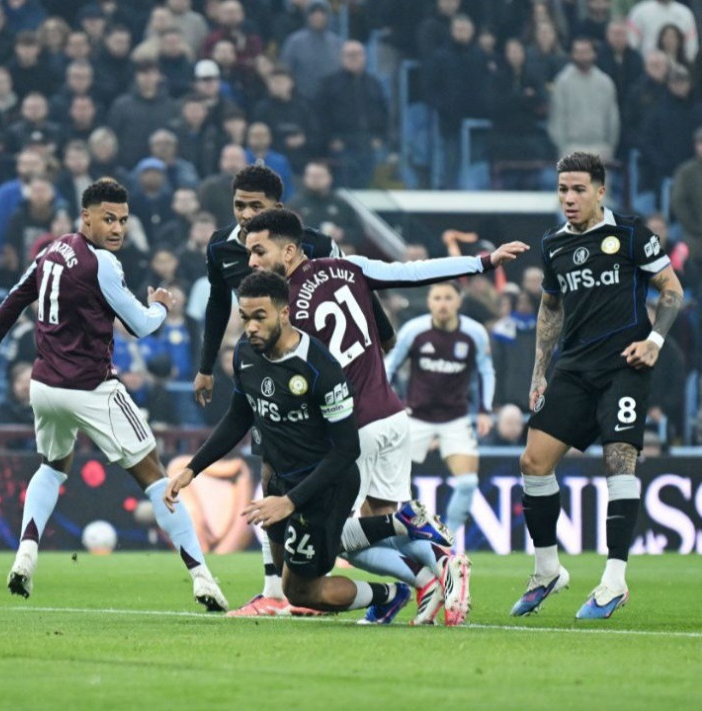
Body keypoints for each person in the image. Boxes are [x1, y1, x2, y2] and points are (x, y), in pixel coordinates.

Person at [0, 179, 229, 612]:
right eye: (108, 218)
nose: (117, 228)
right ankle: (202, 577)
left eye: (123, 220)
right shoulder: (102, 265)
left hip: (44, 387)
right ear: (87, 217)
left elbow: (18, 294)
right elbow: (140, 325)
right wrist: (161, 306)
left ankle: (26, 551)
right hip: (91, 387)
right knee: (155, 475)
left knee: (53, 466)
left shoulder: (52, 250)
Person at [244, 207, 528, 624]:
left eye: (258, 251)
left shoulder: (289, 315)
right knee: (378, 522)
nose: (251, 262)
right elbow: (413, 272)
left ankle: (424, 557)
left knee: (336, 538)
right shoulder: (348, 266)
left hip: (353, 427)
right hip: (394, 416)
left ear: (288, 252)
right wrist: (484, 261)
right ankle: (434, 577)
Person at [166, 271, 449, 615]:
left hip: (326, 485)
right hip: (285, 480)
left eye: (260, 317)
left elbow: (347, 449)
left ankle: (390, 592)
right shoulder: (245, 353)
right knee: (305, 564)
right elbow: (239, 417)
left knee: (301, 592)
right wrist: (192, 469)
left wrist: (290, 502)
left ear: (284, 314)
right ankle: (401, 526)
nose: (250, 326)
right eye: (245, 317)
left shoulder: (319, 368)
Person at [192, 164, 395, 616]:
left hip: (312, 374)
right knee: (270, 471)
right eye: (239, 205)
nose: (245, 215)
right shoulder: (222, 248)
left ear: (278, 210)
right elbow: (215, 304)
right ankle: (273, 587)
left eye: (256, 207)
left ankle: (373, 555)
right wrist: (206, 367)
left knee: (330, 477)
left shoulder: (315, 243)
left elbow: (357, 284)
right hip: (264, 371)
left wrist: (382, 331)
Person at [514, 152, 683, 619]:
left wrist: (654, 340)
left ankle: (614, 580)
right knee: (533, 461)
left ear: (600, 191)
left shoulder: (630, 234)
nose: (569, 198)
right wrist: (539, 371)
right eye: (563, 189)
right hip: (574, 369)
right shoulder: (553, 245)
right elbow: (550, 310)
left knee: (619, 460)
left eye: (579, 190)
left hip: (625, 366)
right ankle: (547, 570)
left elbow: (672, 288)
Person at [385, 282, 496, 541]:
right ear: (429, 302)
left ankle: (447, 542)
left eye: (448, 297)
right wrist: (388, 402)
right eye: (437, 298)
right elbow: (389, 366)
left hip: (455, 418)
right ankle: (376, 535)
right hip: (415, 418)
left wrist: (484, 410)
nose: (442, 303)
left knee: (468, 483)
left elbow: (486, 371)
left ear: (459, 301)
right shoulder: (414, 330)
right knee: (388, 484)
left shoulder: (474, 333)